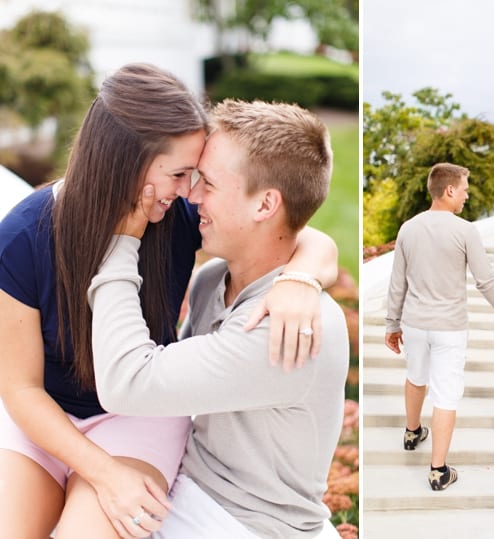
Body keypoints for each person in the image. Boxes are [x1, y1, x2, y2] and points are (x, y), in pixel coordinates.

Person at [0, 64, 337, 539]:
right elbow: (21, 391)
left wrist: (302, 277)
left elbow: (292, 227)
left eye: (197, 177)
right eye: (179, 173)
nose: (189, 192)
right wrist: (101, 471)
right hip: (43, 422)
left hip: (136, 418)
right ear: (125, 165)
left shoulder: (175, 218)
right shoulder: (21, 238)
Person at [88, 99, 349, 538]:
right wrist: (305, 270)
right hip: (193, 489)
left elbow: (125, 383)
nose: (191, 196)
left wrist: (119, 243)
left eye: (207, 183)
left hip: (241, 522)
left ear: (265, 205)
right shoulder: (214, 278)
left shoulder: (282, 328)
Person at [384, 162, 494, 491]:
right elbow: (485, 280)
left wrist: (392, 323)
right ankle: (438, 470)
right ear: (449, 190)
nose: (467, 196)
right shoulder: (465, 231)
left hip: (414, 323)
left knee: (416, 377)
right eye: (465, 190)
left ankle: (412, 431)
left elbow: (397, 283)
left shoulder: (408, 228)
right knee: (445, 395)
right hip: (450, 327)